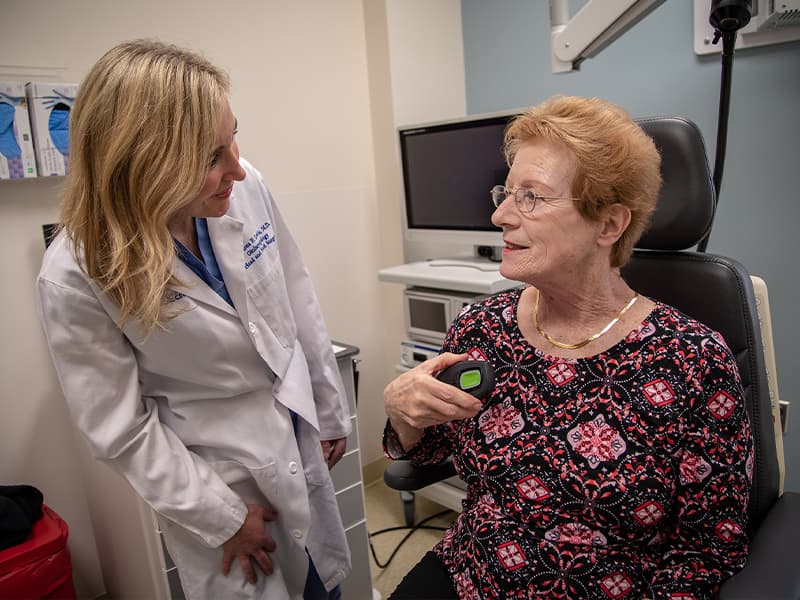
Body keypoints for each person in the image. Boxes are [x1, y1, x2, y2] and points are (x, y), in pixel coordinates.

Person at [383, 95, 753, 599]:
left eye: (531, 196)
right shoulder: (481, 327)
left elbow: (707, 550)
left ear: (608, 224)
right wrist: (405, 415)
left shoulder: (692, 361)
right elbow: (433, 451)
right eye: (506, 192)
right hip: (470, 573)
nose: (500, 217)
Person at [36, 39, 351, 600]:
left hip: (297, 431)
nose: (236, 167)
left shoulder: (245, 185)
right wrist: (223, 516)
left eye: (233, 136)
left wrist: (328, 408)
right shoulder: (76, 272)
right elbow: (118, 428)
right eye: (209, 157)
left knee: (323, 583)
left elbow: (296, 294)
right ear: (142, 168)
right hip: (215, 475)